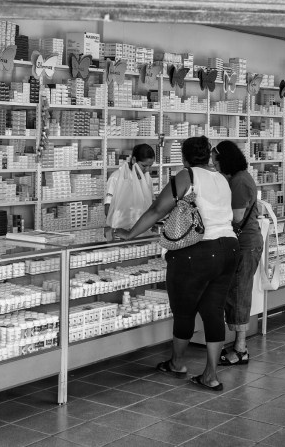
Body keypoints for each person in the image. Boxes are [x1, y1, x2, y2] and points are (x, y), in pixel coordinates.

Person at [112, 136, 238, 391]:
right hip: (229, 249)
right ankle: (211, 375)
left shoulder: (187, 175)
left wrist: (130, 233)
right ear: (208, 155)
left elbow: (158, 209)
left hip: (198, 251)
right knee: (214, 311)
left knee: (184, 311)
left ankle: (177, 363)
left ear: (184, 157)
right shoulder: (221, 178)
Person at [211, 140, 262, 366]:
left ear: (225, 160)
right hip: (244, 243)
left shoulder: (240, 181)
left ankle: (241, 349)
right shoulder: (238, 178)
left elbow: (237, 217)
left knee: (239, 293)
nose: (215, 167)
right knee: (236, 291)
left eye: (216, 162)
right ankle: (238, 345)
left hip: (246, 244)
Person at [104, 144, 155, 238]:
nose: (147, 170)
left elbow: (151, 203)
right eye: (144, 166)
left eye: (150, 166)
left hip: (141, 231)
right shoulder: (117, 177)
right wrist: (117, 226)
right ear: (134, 160)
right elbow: (108, 206)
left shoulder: (147, 179)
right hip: (120, 231)